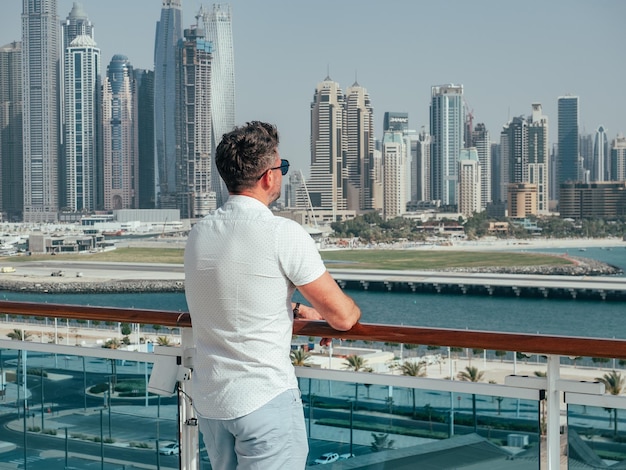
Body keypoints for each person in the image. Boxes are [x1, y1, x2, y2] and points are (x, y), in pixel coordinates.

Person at [184, 121, 361, 470]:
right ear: (269, 177)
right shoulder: (283, 233)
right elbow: (343, 316)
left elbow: (234, 292)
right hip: (264, 399)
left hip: (212, 403)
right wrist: (324, 313)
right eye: (283, 168)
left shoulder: (198, 234)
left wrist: (294, 308)